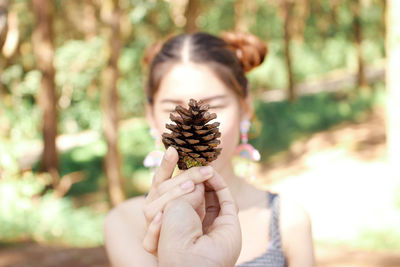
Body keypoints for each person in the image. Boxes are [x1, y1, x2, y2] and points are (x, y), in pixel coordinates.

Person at [104, 32, 315, 267]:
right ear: (151, 116)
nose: (194, 125)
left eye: (213, 105)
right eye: (174, 108)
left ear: (245, 107)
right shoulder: (126, 224)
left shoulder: (289, 222)